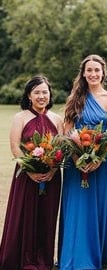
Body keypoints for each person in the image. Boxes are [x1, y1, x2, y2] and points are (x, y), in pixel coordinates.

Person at [58, 54, 107, 269]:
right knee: (78, 208)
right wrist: (77, 158)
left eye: (97, 70)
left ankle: (98, 255)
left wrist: (98, 158)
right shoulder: (74, 98)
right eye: (89, 70)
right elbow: (66, 132)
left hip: (101, 164)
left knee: (99, 207)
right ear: (83, 73)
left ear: (103, 72)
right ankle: (75, 257)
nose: (93, 74)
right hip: (75, 163)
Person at [0, 75, 63, 269]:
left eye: (45, 92)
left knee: (47, 216)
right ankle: (23, 258)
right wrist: (30, 170)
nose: (41, 96)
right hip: (26, 176)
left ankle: (43, 258)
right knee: (24, 215)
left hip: (51, 178)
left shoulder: (57, 119)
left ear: (49, 94)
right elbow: (15, 147)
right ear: (29, 95)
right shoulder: (20, 117)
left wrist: (52, 171)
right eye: (37, 92)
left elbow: (61, 148)